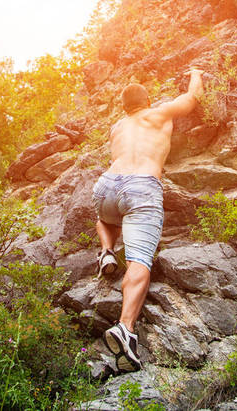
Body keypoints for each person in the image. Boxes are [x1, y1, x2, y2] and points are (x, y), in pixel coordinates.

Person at [91, 68, 204, 373]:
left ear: (124, 106)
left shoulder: (117, 126)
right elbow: (193, 99)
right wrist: (195, 72)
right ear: (148, 100)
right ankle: (125, 329)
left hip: (107, 186)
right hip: (142, 186)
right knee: (140, 260)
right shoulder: (159, 113)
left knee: (104, 217)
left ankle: (106, 251)